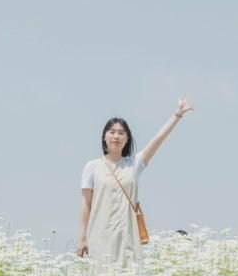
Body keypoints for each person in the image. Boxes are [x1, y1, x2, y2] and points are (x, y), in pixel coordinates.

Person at [77, 98, 195, 265]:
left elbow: (158, 139)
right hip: (99, 236)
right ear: (104, 137)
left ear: (127, 139)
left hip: (127, 236)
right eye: (111, 132)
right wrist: (82, 238)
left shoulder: (134, 164)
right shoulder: (92, 167)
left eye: (121, 133)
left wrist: (177, 115)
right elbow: (86, 206)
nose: (116, 136)